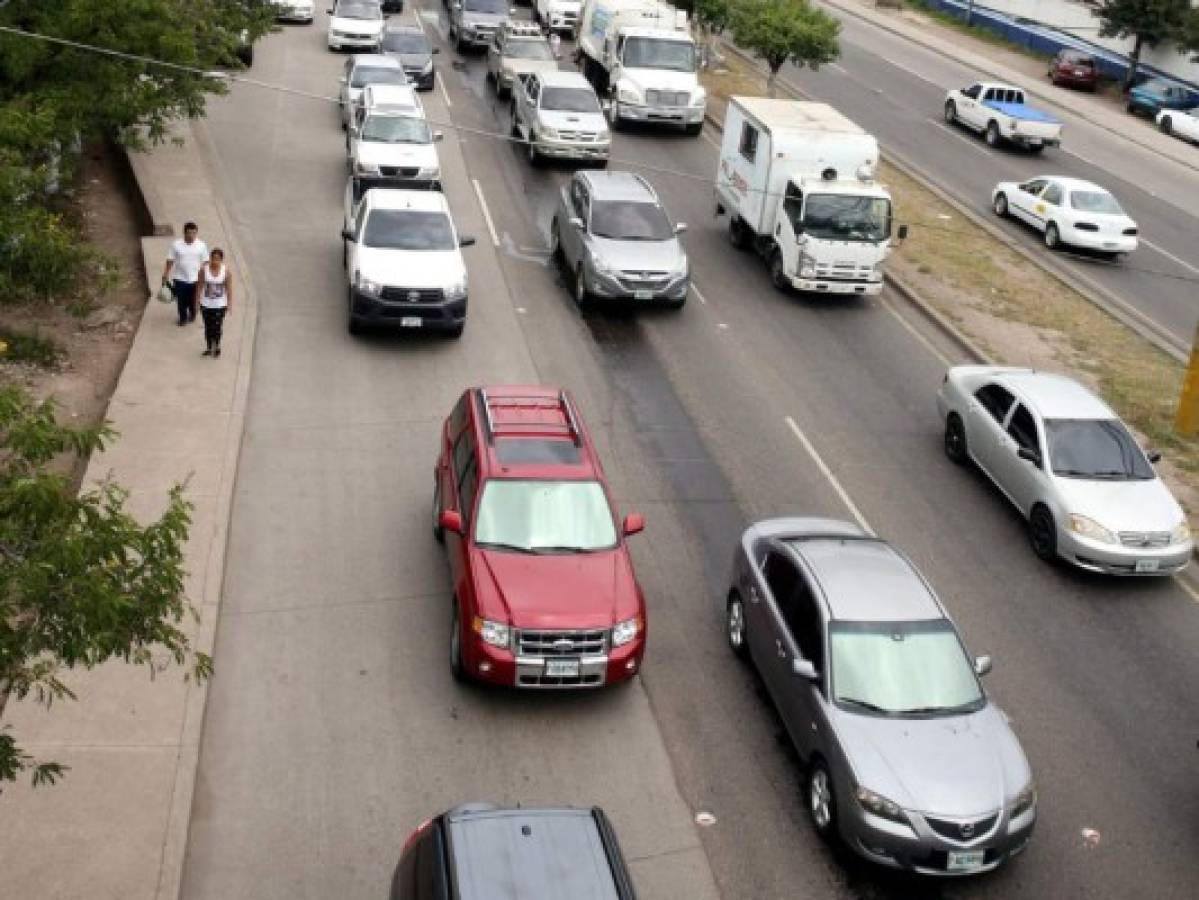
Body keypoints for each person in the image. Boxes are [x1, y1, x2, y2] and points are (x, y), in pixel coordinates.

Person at [162, 222, 209, 326]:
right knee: (181, 301)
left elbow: (206, 262)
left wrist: (206, 276)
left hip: (195, 279)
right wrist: (165, 274)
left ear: (196, 233)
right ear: (184, 233)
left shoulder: (201, 245)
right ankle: (183, 318)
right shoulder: (176, 244)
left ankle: (192, 313)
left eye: (194, 233)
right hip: (179, 278)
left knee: (193, 300)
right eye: (189, 233)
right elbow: (170, 260)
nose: (191, 236)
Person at [195, 248, 233, 358]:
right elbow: (199, 286)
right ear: (210, 258)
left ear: (221, 260)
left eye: (218, 259)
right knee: (208, 326)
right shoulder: (203, 270)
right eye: (213, 258)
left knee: (217, 326)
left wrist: (229, 304)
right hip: (206, 304)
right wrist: (197, 302)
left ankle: (217, 346)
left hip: (220, 305)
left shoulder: (226, 272)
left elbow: (229, 289)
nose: (215, 261)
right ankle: (208, 347)